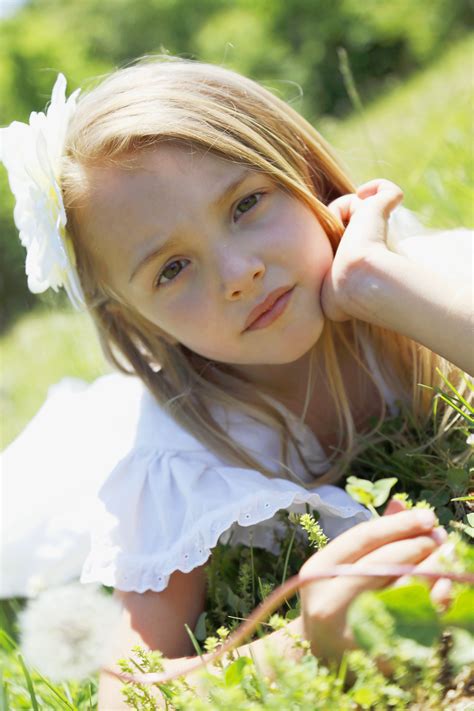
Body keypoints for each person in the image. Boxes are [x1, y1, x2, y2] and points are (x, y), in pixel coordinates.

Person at [0, 58, 472, 707]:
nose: (237, 273)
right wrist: (309, 635)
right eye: (171, 269)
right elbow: (129, 694)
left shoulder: (423, 284)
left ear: (300, 166)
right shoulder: (178, 459)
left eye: (246, 203)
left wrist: (376, 283)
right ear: (134, 318)